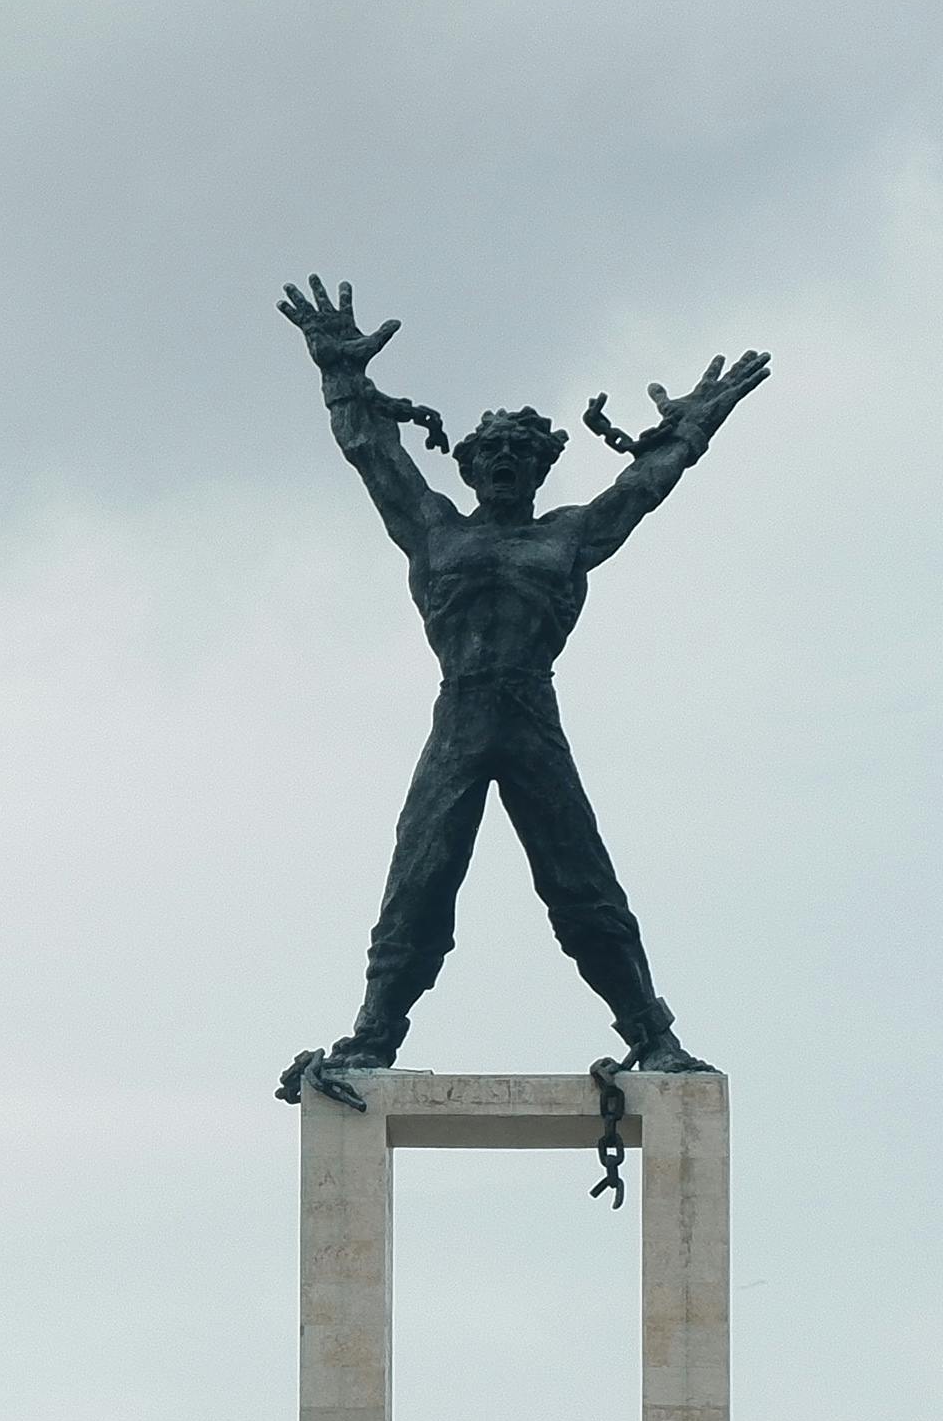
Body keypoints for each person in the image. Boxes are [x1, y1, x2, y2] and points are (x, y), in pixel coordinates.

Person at [272, 274, 768, 1089]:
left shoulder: (569, 536)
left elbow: (644, 486)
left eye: (521, 454)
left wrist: (693, 431)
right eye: (491, 451)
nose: (504, 461)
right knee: (419, 879)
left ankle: (652, 1035)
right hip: (461, 714)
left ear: (541, 468)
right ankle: (374, 1036)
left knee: (584, 885)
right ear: (465, 464)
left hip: (531, 714)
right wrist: (339, 373)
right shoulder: (432, 529)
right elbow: (373, 452)